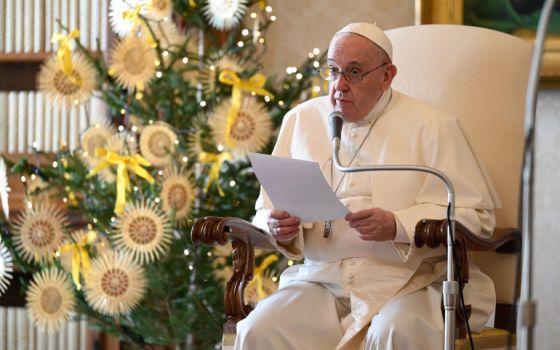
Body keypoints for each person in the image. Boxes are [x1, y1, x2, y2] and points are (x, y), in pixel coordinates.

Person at [235, 23, 500, 350]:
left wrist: (398, 225)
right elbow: (263, 212)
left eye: (355, 72)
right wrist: (277, 226)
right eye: (333, 71)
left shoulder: (433, 126)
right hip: (323, 281)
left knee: (393, 333)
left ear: (387, 75)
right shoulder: (301, 120)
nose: (339, 86)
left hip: (412, 280)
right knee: (259, 330)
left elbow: (479, 220)